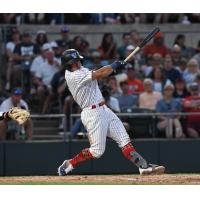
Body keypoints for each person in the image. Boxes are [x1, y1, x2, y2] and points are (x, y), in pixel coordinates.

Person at [58, 49, 165, 176]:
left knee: (124, 139)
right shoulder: (73, 76)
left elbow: (101, 73)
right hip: (92, 114)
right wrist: (114, 65)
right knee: (97, 151)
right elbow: (101, 73)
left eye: (78, 60)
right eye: (75, 61)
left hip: (104, 109)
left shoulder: (82, 70)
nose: (78, 63)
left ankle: (143, 166)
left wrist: (114, 69)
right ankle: (70, 163)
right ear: (69, 64)